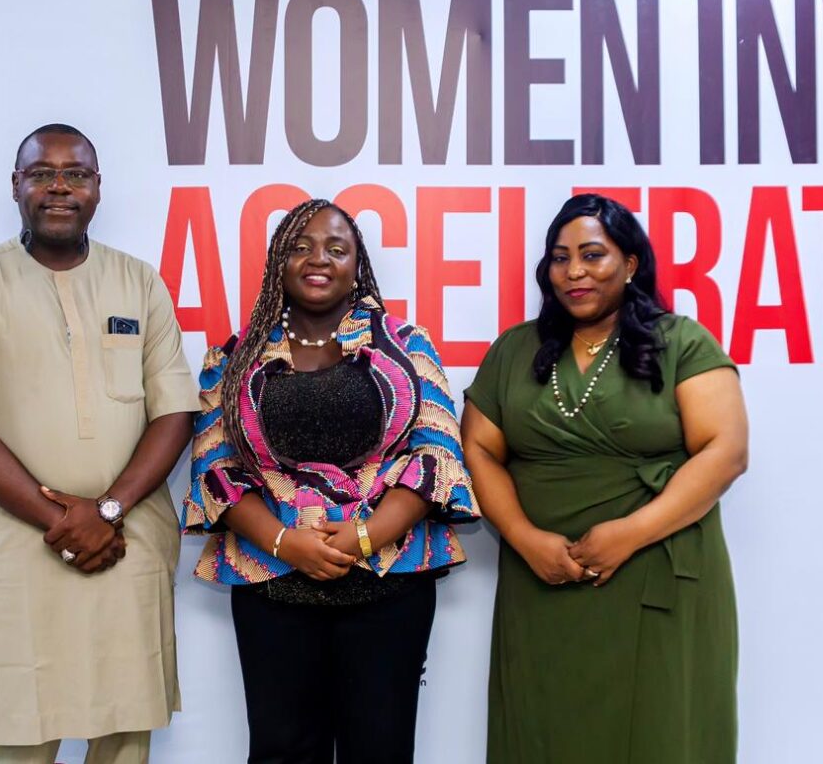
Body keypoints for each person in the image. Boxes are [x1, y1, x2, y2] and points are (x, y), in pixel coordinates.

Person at [0, 123, 199, 764]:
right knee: (21, 735)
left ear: (98, 190)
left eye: (77, 174)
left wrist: (106, 513)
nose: (60, 187)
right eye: (42, 174)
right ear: (16, 186)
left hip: (127, 546)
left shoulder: (140, 284)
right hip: (21, 552)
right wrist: (64, 522)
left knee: (125, 736)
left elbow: (175, 413)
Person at [183, 198, 479, 764]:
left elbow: (437, 453)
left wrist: (365, 536)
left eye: (336, 248)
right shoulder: (236, 354)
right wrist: (283, 541)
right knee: (281, 750)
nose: (318, 259)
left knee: (381, 749)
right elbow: (215, 468)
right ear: (278, 261)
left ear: (357, 263)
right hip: (271, 578)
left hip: (389, 581)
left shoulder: (406, 345)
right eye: (301, 246)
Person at [462, 193, 748, 763]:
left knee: (662, 730)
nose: (574, 272)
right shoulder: (517, 349)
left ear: (631, 264)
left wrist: (629, 535)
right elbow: (478, 448)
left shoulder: (681, 341)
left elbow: (726, 451)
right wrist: (524, 539)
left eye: (593, 255)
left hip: (655, 573)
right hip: (543, 579)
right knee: (544, 730)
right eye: (560, 258)